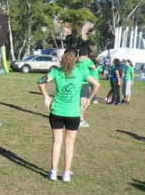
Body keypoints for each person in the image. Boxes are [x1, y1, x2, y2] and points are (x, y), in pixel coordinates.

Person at [38, 48, 100, 182]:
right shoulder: (81, 71)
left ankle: (53, 172)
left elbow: (40, 82)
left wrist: (46, 97)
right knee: (69, 144)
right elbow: (96, 84)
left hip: (56, 112)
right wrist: (89, 100)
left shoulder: (56, 71)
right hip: (73, 113)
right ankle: (66, 174)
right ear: (77, 58)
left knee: (57, 142)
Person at [77, 54, 97, 127]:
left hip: (76, 83)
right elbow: (94, 68)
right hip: (84, 84)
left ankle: (76, 119)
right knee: (83, 103)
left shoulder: (76, 60)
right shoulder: (87, 61)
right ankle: (80, 120)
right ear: (86, 55)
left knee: (76, 103)